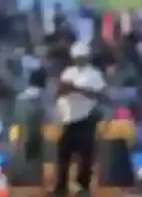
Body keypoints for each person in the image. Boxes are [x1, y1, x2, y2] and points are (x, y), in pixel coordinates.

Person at [55, 43, 104, 197]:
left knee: (85, 156)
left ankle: (83, 187)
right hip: (68, 118)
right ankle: (61, 187)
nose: (79, 60)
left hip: (85, 118)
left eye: (82, 57)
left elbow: (98, 94)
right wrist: (64, 90)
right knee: (63, 154)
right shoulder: (67, 72)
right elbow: (59, 91)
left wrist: (76, 89)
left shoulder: (94, 74)